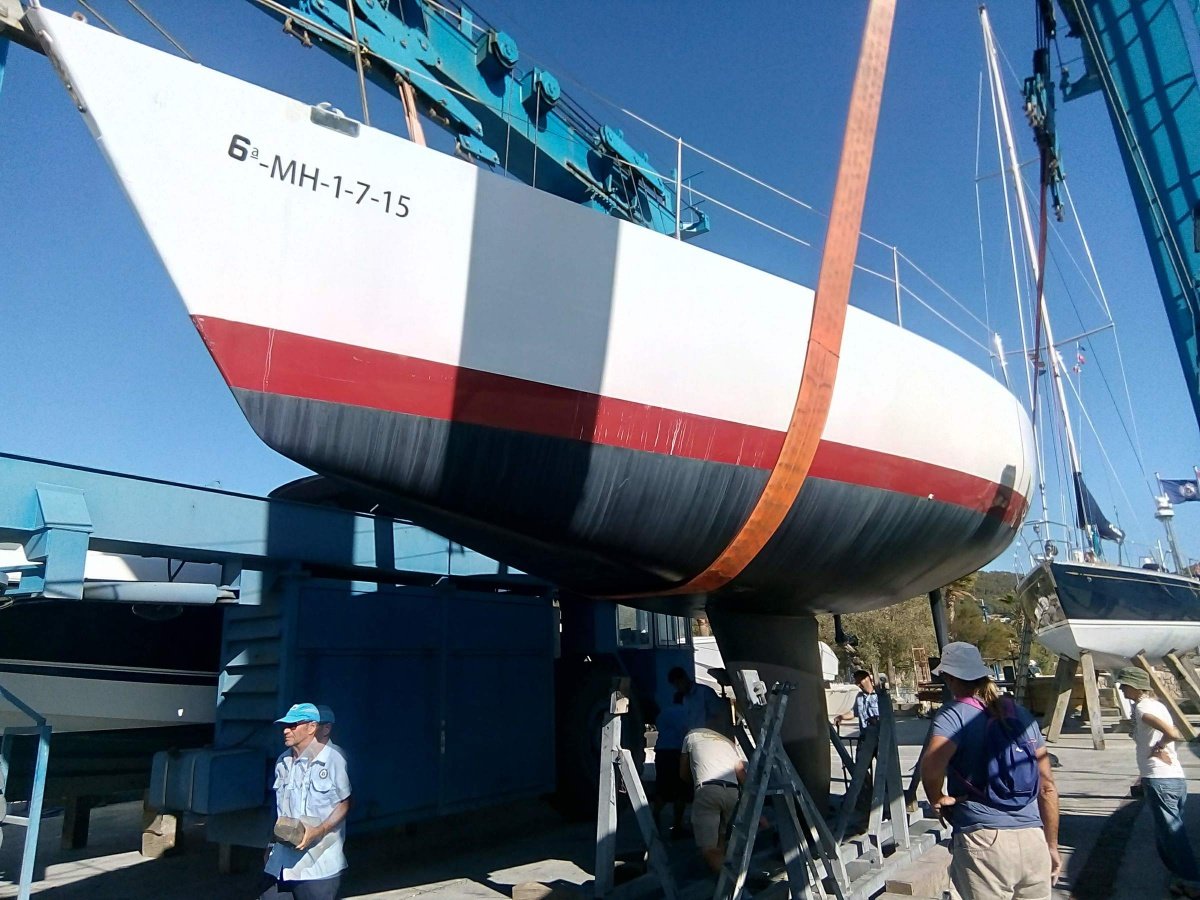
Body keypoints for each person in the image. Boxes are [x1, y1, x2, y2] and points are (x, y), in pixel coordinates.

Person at [920, 642, 1059, 900]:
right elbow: (1048, 787)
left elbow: (930, 768)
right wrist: (1051, 845)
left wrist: (937, 798)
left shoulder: (953, 715)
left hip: (984, 840)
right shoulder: (1021, 715)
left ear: (949, 677)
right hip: (1033, 840)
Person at [1116, 666, 1200, 897]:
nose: (1122, 690)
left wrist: (1161, 744)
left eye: (1124, 685)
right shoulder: (1157, 704)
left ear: (1135, 686)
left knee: (1173, 835)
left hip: (1160, 779)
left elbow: (1172, 733)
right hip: (1174, 777)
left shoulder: (1143, 708)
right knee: (1167, 834)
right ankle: (1180, 878)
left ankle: (1192, 880)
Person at [260, 703, 352, 900]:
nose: (286, 730)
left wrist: (319, 831)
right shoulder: (282, 762)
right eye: (284, 726)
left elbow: (344, 803)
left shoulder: (334, 759)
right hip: (281, 863)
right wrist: (270, 844)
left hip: (317, 865)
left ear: (312, 728)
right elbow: (280, 809)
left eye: (293, 725)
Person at [680, 727, 746, 875]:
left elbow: (683, 772)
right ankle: (720, 884)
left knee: (708, 849)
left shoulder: (691, 735)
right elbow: (741, 773)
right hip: (731, 791)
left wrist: (695, 782)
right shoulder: (727, 743)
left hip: (708, 790)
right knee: (721, 837)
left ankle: (732, 886)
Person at [652, 697, 692, 838]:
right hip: (677, 752)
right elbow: (686, 731)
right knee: (681, 789)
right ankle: (677, 826)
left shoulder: (663, 713)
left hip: (662, 751)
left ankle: (654, 819)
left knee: (662, 787)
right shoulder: (686, 712)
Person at [668, 666, 726, 733]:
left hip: (709, 736)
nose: (678, 688)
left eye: (678, 684)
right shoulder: (685, 699)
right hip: (694, 738)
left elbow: (719, 715)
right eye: (675, 686)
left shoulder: (705, 692)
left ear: (684, 678)